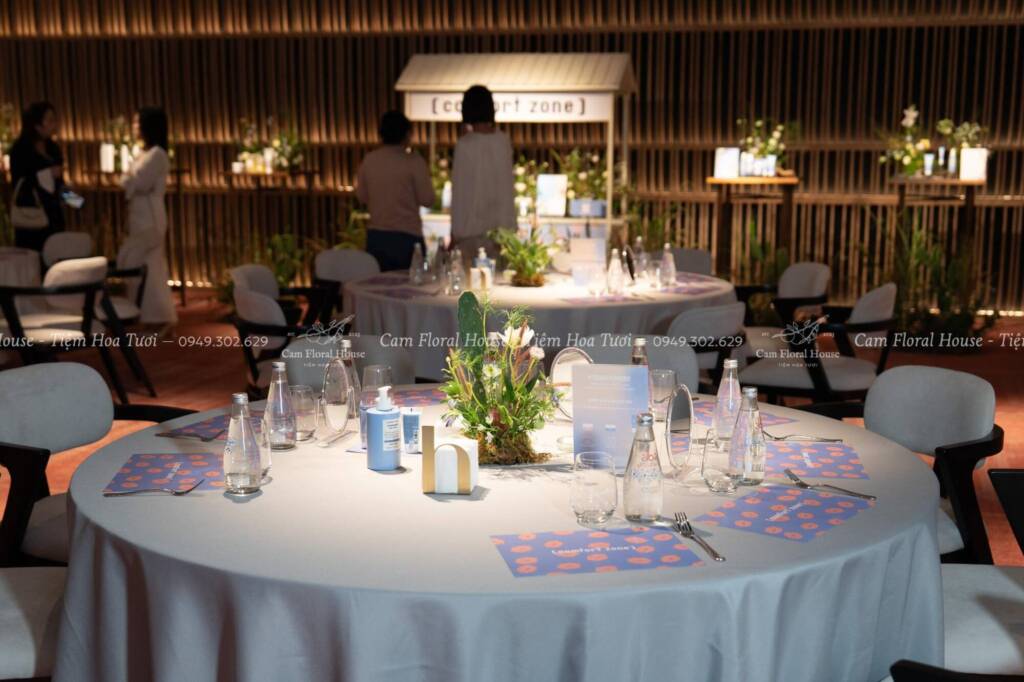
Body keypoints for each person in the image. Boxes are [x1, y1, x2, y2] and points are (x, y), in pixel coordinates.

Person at [117, 106, 177, 330]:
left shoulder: (157, 155)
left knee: (148, 266)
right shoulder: (144, 153)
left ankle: (158, 317)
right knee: (146, 266)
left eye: (137, 123)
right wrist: (130, 179)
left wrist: (130, 178)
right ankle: (150, 316)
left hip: (149, 218)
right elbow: (126, 180)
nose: (134, 127)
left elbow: (138, 183)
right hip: (139, 215)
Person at [355, 110, 435, 271]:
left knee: (379, 284)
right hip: (408, 237)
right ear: (407, 134)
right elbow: (428, 199)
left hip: (377, 237)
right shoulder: (414, 162)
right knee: (412, 284)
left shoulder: (370, 160)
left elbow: (361, 197)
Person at [450, 85, 516, 257]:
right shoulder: (503, 142)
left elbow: (460, 193)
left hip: (469, 231)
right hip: (502, 233)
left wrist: (455, 232)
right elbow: (507, 188)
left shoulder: (465, 145)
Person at [8, 101, 65, 251]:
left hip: (53, 217)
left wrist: (76, 201)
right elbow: (20, 183)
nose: (54, 124)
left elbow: (60, 185)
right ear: (36, 124)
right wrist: (47, 174)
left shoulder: (53, 149)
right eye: (50, 120)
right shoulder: (20, 150)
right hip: (31, 217)